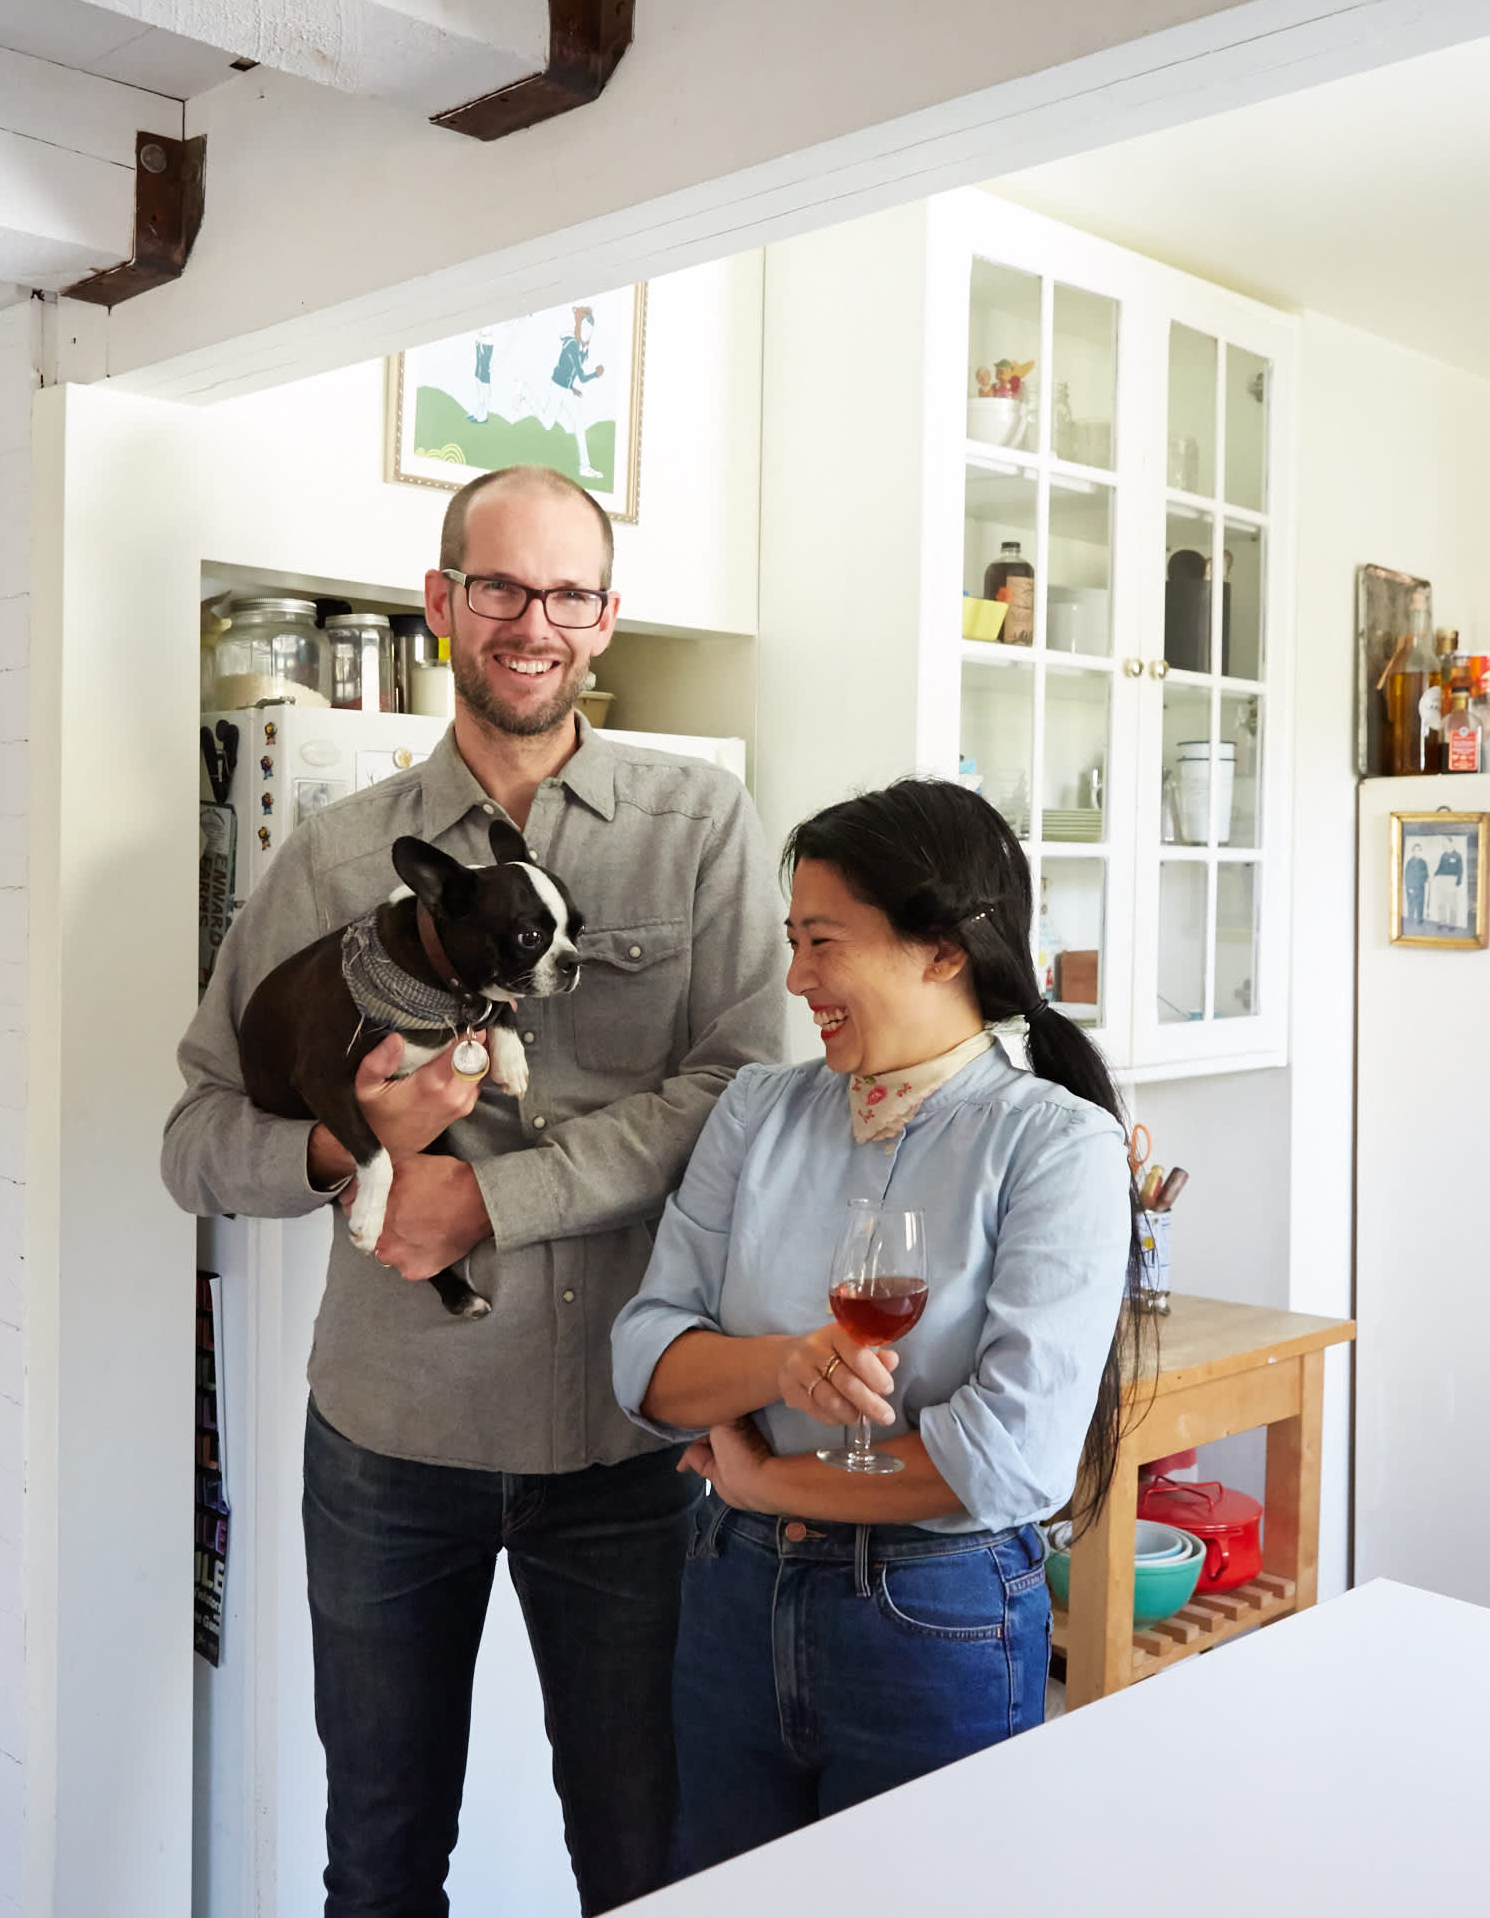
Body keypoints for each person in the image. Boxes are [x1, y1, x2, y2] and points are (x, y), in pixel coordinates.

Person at [162, 464, 786, 1915]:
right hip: (391, 1443)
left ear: (608, 619)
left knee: (649, 1862)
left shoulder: (698, 826)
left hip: (634, 1438)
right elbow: (195, 1131)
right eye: (500, 587)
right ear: (442, 603)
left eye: (569, 594)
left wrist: (491, 1201)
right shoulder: (328, 855)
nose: (533, 624)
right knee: (378, 1863)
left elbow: (741, 1097)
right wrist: (349, 1150)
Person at [609, 778, 1139, 1875]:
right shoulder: (760, 1107)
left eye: (822, 941)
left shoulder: (1055, 1143)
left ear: (941, 948)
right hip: (730, 1603)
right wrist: (785, 1366)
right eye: (791, 940)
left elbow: (1008, 1459)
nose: (796, 977)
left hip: (933, 1614)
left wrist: (762, 1481)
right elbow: (645, 1358)